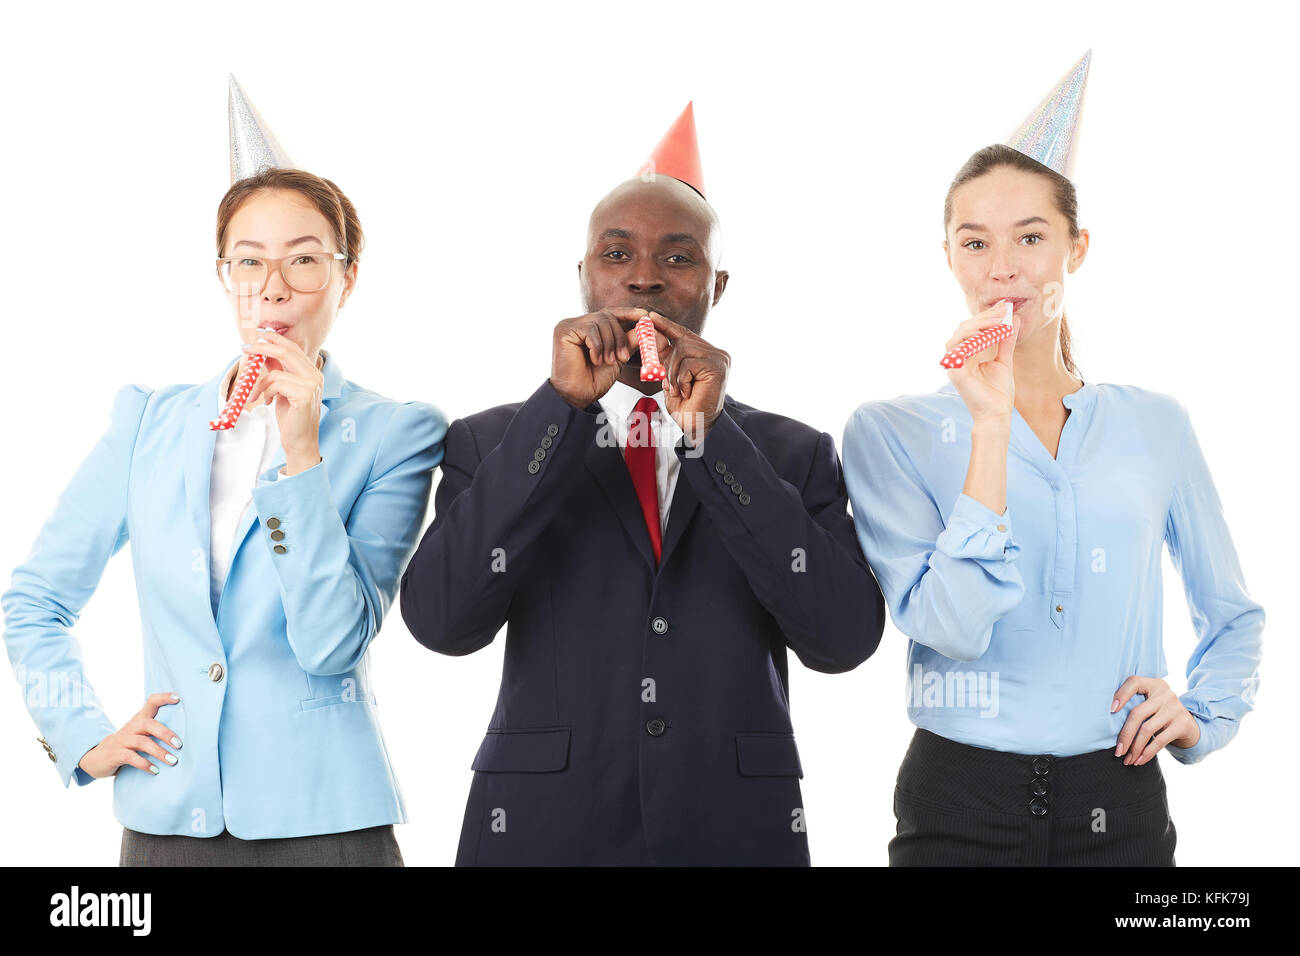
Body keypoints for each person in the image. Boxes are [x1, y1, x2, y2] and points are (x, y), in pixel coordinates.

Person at [400, 103, 885, 866]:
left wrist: (708, 436)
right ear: (584, 277)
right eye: (617, 254)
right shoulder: (493, 440)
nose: (646, 277)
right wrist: (557, 413)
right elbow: (440, 623)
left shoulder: (792, 452)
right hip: (541, 831)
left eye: (679, 258)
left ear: (717, 286)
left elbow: (844, 640)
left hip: (733, 832)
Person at [2, 77, 446, 866]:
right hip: (170, 822)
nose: (274, 286)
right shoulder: (148, 420)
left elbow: (333, 644)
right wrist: (83, 737)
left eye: (305, 260)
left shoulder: (396, 433)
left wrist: (302, 452)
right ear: (224, 276)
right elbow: (34, 601)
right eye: (250, 261)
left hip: (327, 826)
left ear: (347, 278)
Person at [841, 52, 1264, 866]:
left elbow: (1234, 613)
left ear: (1077, 249)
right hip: (955, 804)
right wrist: (990, 429)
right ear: (949, 258)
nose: (1003, 267)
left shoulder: (1156, 426)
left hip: (1121, 800)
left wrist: (1205, 713)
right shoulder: (887, 433)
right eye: (976, 242)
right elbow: (950, 627)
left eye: (1031, 237)